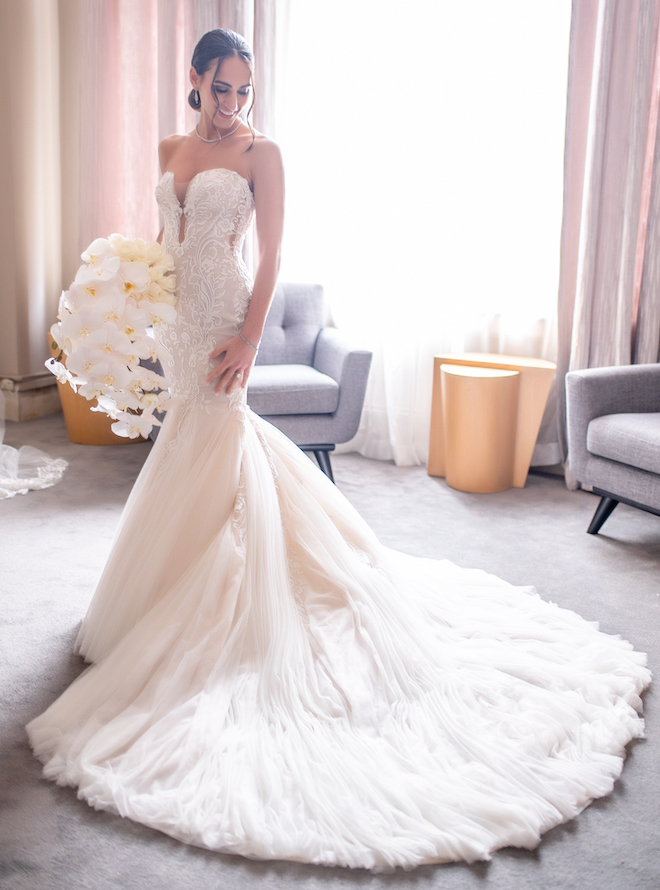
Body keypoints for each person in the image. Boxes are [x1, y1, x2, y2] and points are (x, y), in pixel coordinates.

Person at [27, 29, 650, 872]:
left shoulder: (263, 153)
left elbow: (273, 250)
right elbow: (166, 240)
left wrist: (251, 336)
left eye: (244, 89)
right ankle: (166, 590)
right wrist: (137, 295)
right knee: (190, 446)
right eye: (221, 88)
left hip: (226, 318)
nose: (234, 103)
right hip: (178, 322)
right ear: (194, 80)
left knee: (218, 437)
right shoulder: (172, 147)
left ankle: (228, 601)